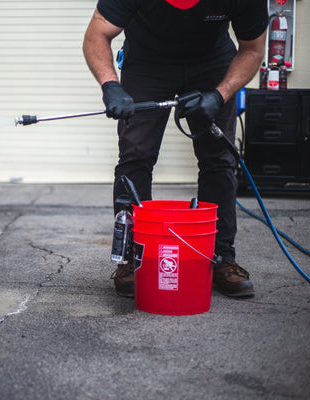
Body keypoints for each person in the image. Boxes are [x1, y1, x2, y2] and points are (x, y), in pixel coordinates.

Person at [82, 0, 267, 298]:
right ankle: (132, 258)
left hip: (212, 63)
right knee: (135, 156)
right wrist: (110, 85)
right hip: (146, 62)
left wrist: (219, 95)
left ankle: (220, 258)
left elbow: (253, 50)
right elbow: (97, 35)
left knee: (218, 158)